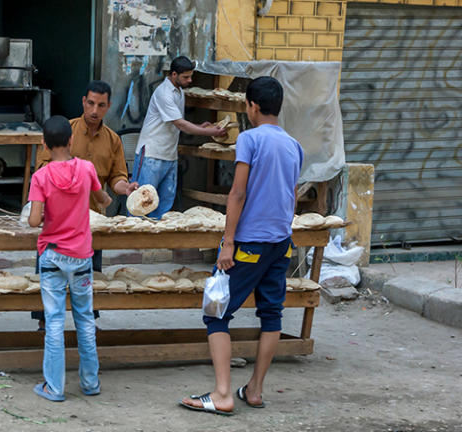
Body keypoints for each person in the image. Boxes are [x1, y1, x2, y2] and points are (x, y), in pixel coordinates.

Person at [178, 77, 304, 415]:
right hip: (281, 243)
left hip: (249, 242)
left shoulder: (249, 139)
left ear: (252, 106)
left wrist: (228, 243)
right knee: (271, 314)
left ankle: (222, 394)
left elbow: (237, 193)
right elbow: (292, 197)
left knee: (216, 312)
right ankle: (255, 391)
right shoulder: (294, 145)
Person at [32, 80, 138, 329]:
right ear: (83, 101)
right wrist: (69, 176)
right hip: (56, 221)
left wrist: (126, 188)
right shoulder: (63, 132)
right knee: (49, 273)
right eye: (90, 103)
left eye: (101, 105)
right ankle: (43, 322)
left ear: (108, 106)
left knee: (92, 274)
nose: (94, 110)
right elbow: (41, 168)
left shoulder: (113, 140)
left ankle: (89, 322)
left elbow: (117, 178)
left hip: (92, 220)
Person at [28, 115, 112, 402]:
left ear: (44, 145)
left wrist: (38, 215)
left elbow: (34, 219)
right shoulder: (87, 169)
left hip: (52, 255)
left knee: (53, 322)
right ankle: (90, 383)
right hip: (81, 257)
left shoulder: (40, 177)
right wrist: (110, 199)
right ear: (71, 140)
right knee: (85, 320)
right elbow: (102, 200)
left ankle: (54, 387)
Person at [132, 56, 226, 219]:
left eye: (191, 76)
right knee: (141, 203)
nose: (190, 80)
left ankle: (158, 243)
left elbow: (180, 121)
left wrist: (200, 127)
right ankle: (135, 243)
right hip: (152, 155)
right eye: (186, 77)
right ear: (174, 74)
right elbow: (180, 124)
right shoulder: (164, 93)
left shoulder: (180, 91)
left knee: (165, 205)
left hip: (170, 155)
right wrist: (210, 133)